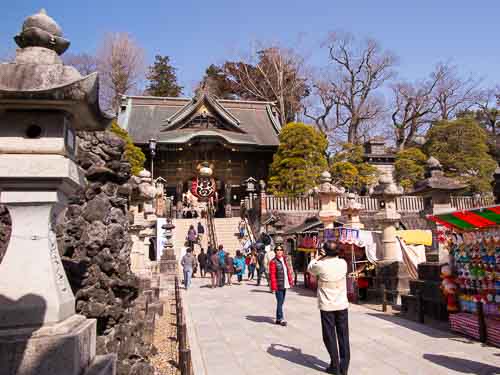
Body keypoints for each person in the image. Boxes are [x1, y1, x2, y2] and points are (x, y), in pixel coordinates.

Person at [307, 240, 350, 375]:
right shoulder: (343, 263)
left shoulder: (321, 265)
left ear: (325, 251)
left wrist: (318, 256)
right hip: (342, 304)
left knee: (329, 336)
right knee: (343, 335)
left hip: (327, 306)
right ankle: (344, 366)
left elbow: (310, 268)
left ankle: (335, 365)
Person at [269, 245, 294, 326]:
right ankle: (281, 319)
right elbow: (272, 275)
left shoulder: (284, 260)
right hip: (278, 285)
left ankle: (277, 319)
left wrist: (290, 281)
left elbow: (287, 272)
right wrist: (273, 287)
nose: (279, 251)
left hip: (284, 283)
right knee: (280, 302)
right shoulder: (273, 261)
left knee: (281, 302)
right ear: (275, 251)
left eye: (281, 250)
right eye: (277, 250)